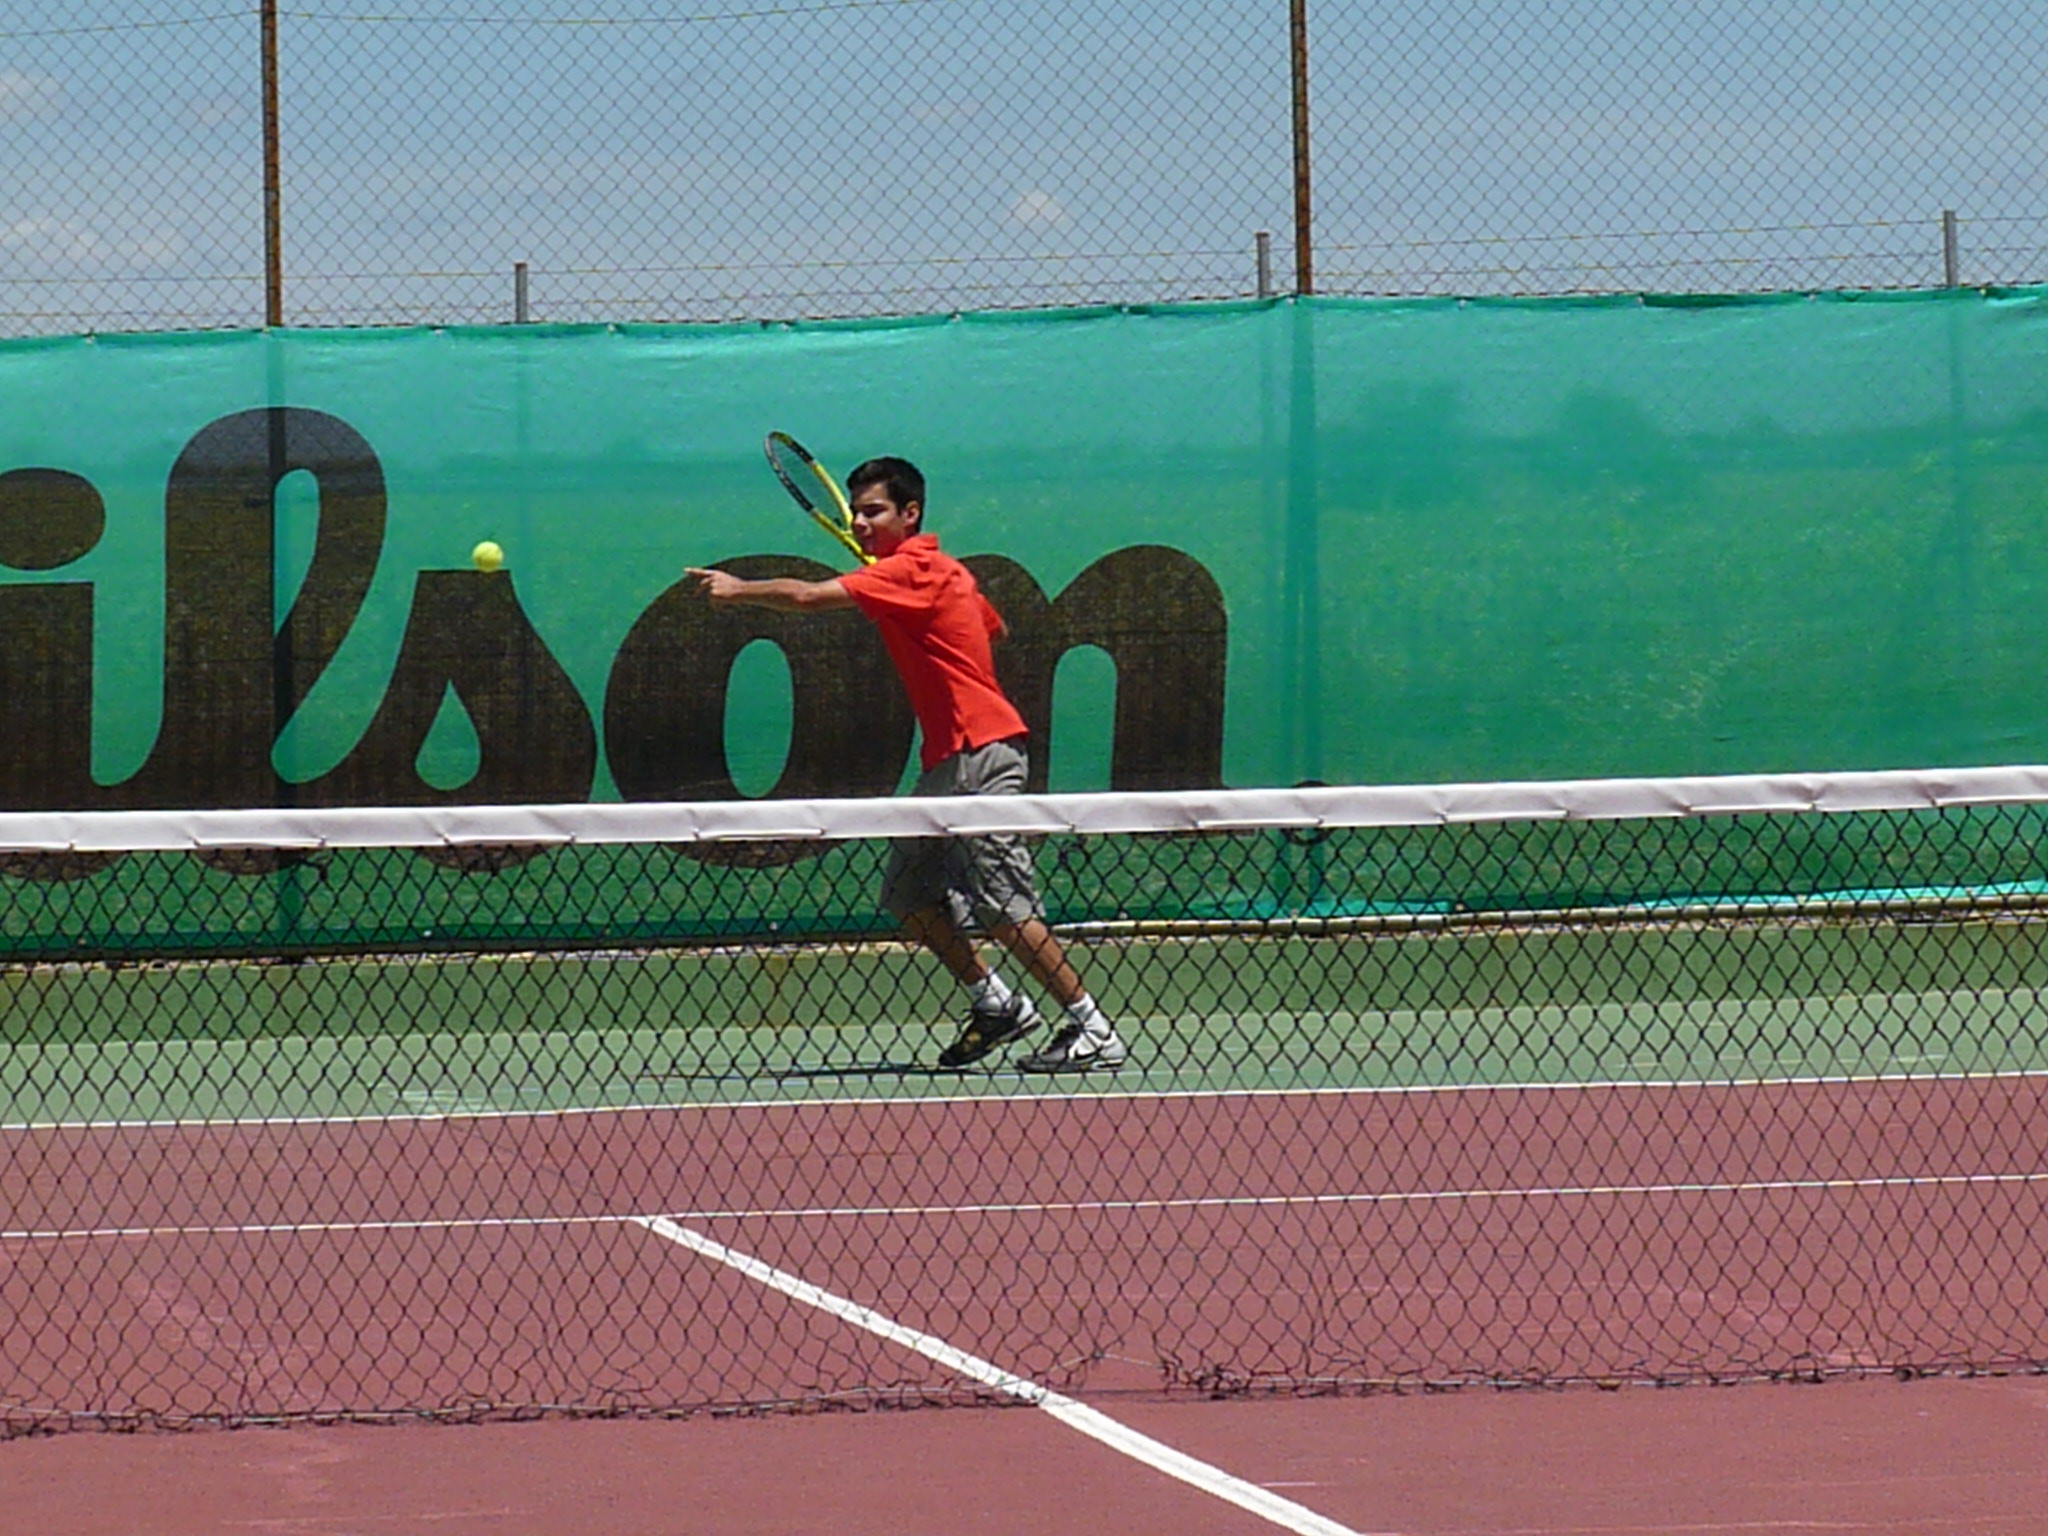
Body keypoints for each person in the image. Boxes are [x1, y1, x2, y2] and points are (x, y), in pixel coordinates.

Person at [685, 456, 1127, 1073]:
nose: (860, 523)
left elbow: (808, 597)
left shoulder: (911, 570)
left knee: (1004, 908)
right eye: (856, 513)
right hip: (946, 762)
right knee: (908, 894)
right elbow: (992, 629)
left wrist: (739, 590)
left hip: (981, 753)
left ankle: (1094, 1029)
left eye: (874, 512)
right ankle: (996, 1002)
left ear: (910, 514)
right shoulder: (945, 572)